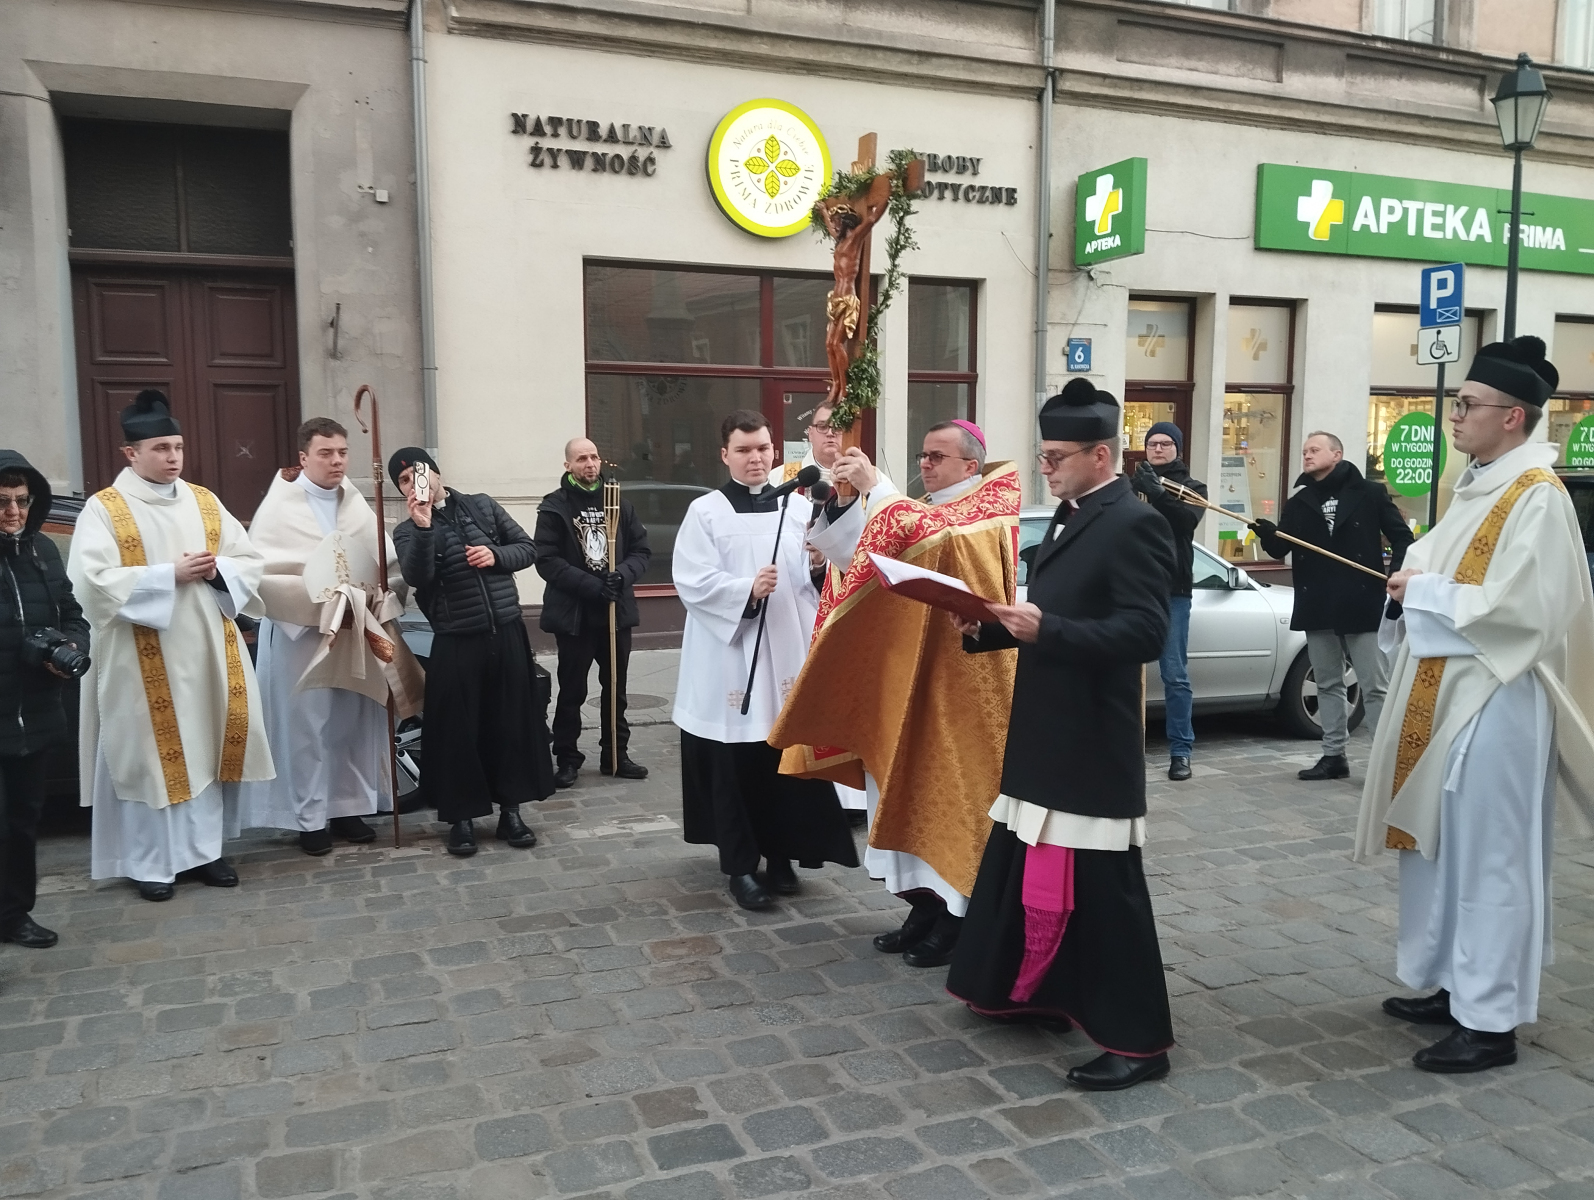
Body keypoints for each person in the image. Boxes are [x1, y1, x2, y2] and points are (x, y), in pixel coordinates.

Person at [1357, 336, 1594, 1074]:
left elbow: (1529, 609)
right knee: (1436, 844)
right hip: (1443, 691)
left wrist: (1424, 591)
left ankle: (1490, 1020)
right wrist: (1410, 584)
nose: (1454, 416)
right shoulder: (1478, 487)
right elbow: (1440, 568)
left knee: (1490, 856)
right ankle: (1451, 980)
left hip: (1498, 698)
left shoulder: (1538, 497)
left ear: (1513, 416)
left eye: (1467, 405)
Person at [946, 378, 1178, 1091]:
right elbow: (1051, 614)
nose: (1043, 467)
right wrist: (988, 628)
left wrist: (1048, 629)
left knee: (1106, 894)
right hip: (1046, 730)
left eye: (1055, 457)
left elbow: (1145, 632)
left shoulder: (1134, 522)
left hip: (1091, 742)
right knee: (1021, 867)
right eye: (1042, 455)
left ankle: (1139, 1043)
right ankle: (1029, 991)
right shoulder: (1073, 514)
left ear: (1100, 455)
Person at [771, 419, 1019, 968]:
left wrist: (877, 487)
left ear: (970, 464)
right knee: (900, 795)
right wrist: (846, 501)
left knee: (951, 799)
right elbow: (863, 561)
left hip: (960, 689)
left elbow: (937, 537)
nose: (925, 464)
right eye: (922, 455)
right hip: (906, 681)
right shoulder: (920, 508)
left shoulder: (987, 512)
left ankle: (958, 921)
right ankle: (922, 908)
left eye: (937, 456)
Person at [68, 391, 274, 901]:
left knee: (203, 746)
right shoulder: (105, 509)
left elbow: (248, 560)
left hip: (205, 651)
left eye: (178, 446)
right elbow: (89, 582)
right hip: (140, 658)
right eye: (161, 448)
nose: (173, 457)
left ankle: (204, 852)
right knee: (150, 757)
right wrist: (167, 575)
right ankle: (150, 863)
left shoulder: (204, 501)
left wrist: (219, 571)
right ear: (131, 453)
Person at [673, 410, 858, 910]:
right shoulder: (706, 512)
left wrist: (817, 567)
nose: (755, 458)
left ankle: (781, 856)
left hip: (786, 654)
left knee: (783, 762)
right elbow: (691, 580)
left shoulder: (796, 508)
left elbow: (816, 581)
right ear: (725, 455)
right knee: (734, 766)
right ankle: (740, 866)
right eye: (744, 450)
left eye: (762, 449)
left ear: (775, 451)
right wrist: (745, 590)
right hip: (731, 658)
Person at [238, 418, 423, 856]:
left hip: (355, 628)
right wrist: (323, 603)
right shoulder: (279, 509)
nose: (336, 461)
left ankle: (347, 807)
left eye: (342, 452)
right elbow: (263, 574)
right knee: (307, 726)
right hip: (303, 634)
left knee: (351, 720)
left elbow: (387, 566)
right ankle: (309, 817)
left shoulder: (356, 504)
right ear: (304, 458)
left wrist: (375, 595)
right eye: (325, 453)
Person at [391, 448, 553, 856]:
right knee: (458, 733)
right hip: (456, 639)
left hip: (506, 631)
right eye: (405, 481)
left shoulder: (481, 506)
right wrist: (423, 526)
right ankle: (461, 819)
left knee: (510, 725)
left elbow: (527, 548)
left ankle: (511, 812)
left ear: (437, 473)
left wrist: (496, 555)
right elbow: (417, 575)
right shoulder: (406, 530)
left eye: (419, 474)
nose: (414, 484)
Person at [1254, 431, 1413, 779]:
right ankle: (1333, 755)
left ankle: (1385, 765)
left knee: (1374, 686)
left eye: (1314, 450)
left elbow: (1402, 536)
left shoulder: (1369, 493)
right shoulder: (1299, 501)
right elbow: (1280, 549)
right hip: (1318, 602)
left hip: (1362, 600)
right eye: (1304, 451)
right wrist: (1266, 533)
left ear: (1336, 454)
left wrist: (1397, 574)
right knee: (1327, 682)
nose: (1307, 456)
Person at [0, 451, 88, 946]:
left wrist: (70, 646)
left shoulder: (44, 551)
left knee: (23, 821)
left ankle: (14, 915)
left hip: (33, 713)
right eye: (2, 502)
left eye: (21, 500)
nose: (13, 512)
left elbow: (73, 612)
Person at [535, 437, 651, 787]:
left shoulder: (618, 502)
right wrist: (592, 585)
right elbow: (547, 560)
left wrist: (622, 575)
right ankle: (567, 758)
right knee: (572, 691)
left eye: (594, 457)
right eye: (582, 458)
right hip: (576, 615)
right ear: (568, 465)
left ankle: (615, 754)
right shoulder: (555, 507)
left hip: (615, 612)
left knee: (616, 688)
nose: (590, 464)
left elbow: (641, 551)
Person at [1129, 423, 1206, 781]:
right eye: (1152, 444)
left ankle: (1181, 751)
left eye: (1165, 443)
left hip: (1173, 590)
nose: (1158, 449)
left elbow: (1185, 522)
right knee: (1126, 671)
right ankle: (1127, 747)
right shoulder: (1132, 484)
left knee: (1174, 674)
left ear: (1177, 448)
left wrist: (1158, 494)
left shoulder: (1193, 488)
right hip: (1134, 589)